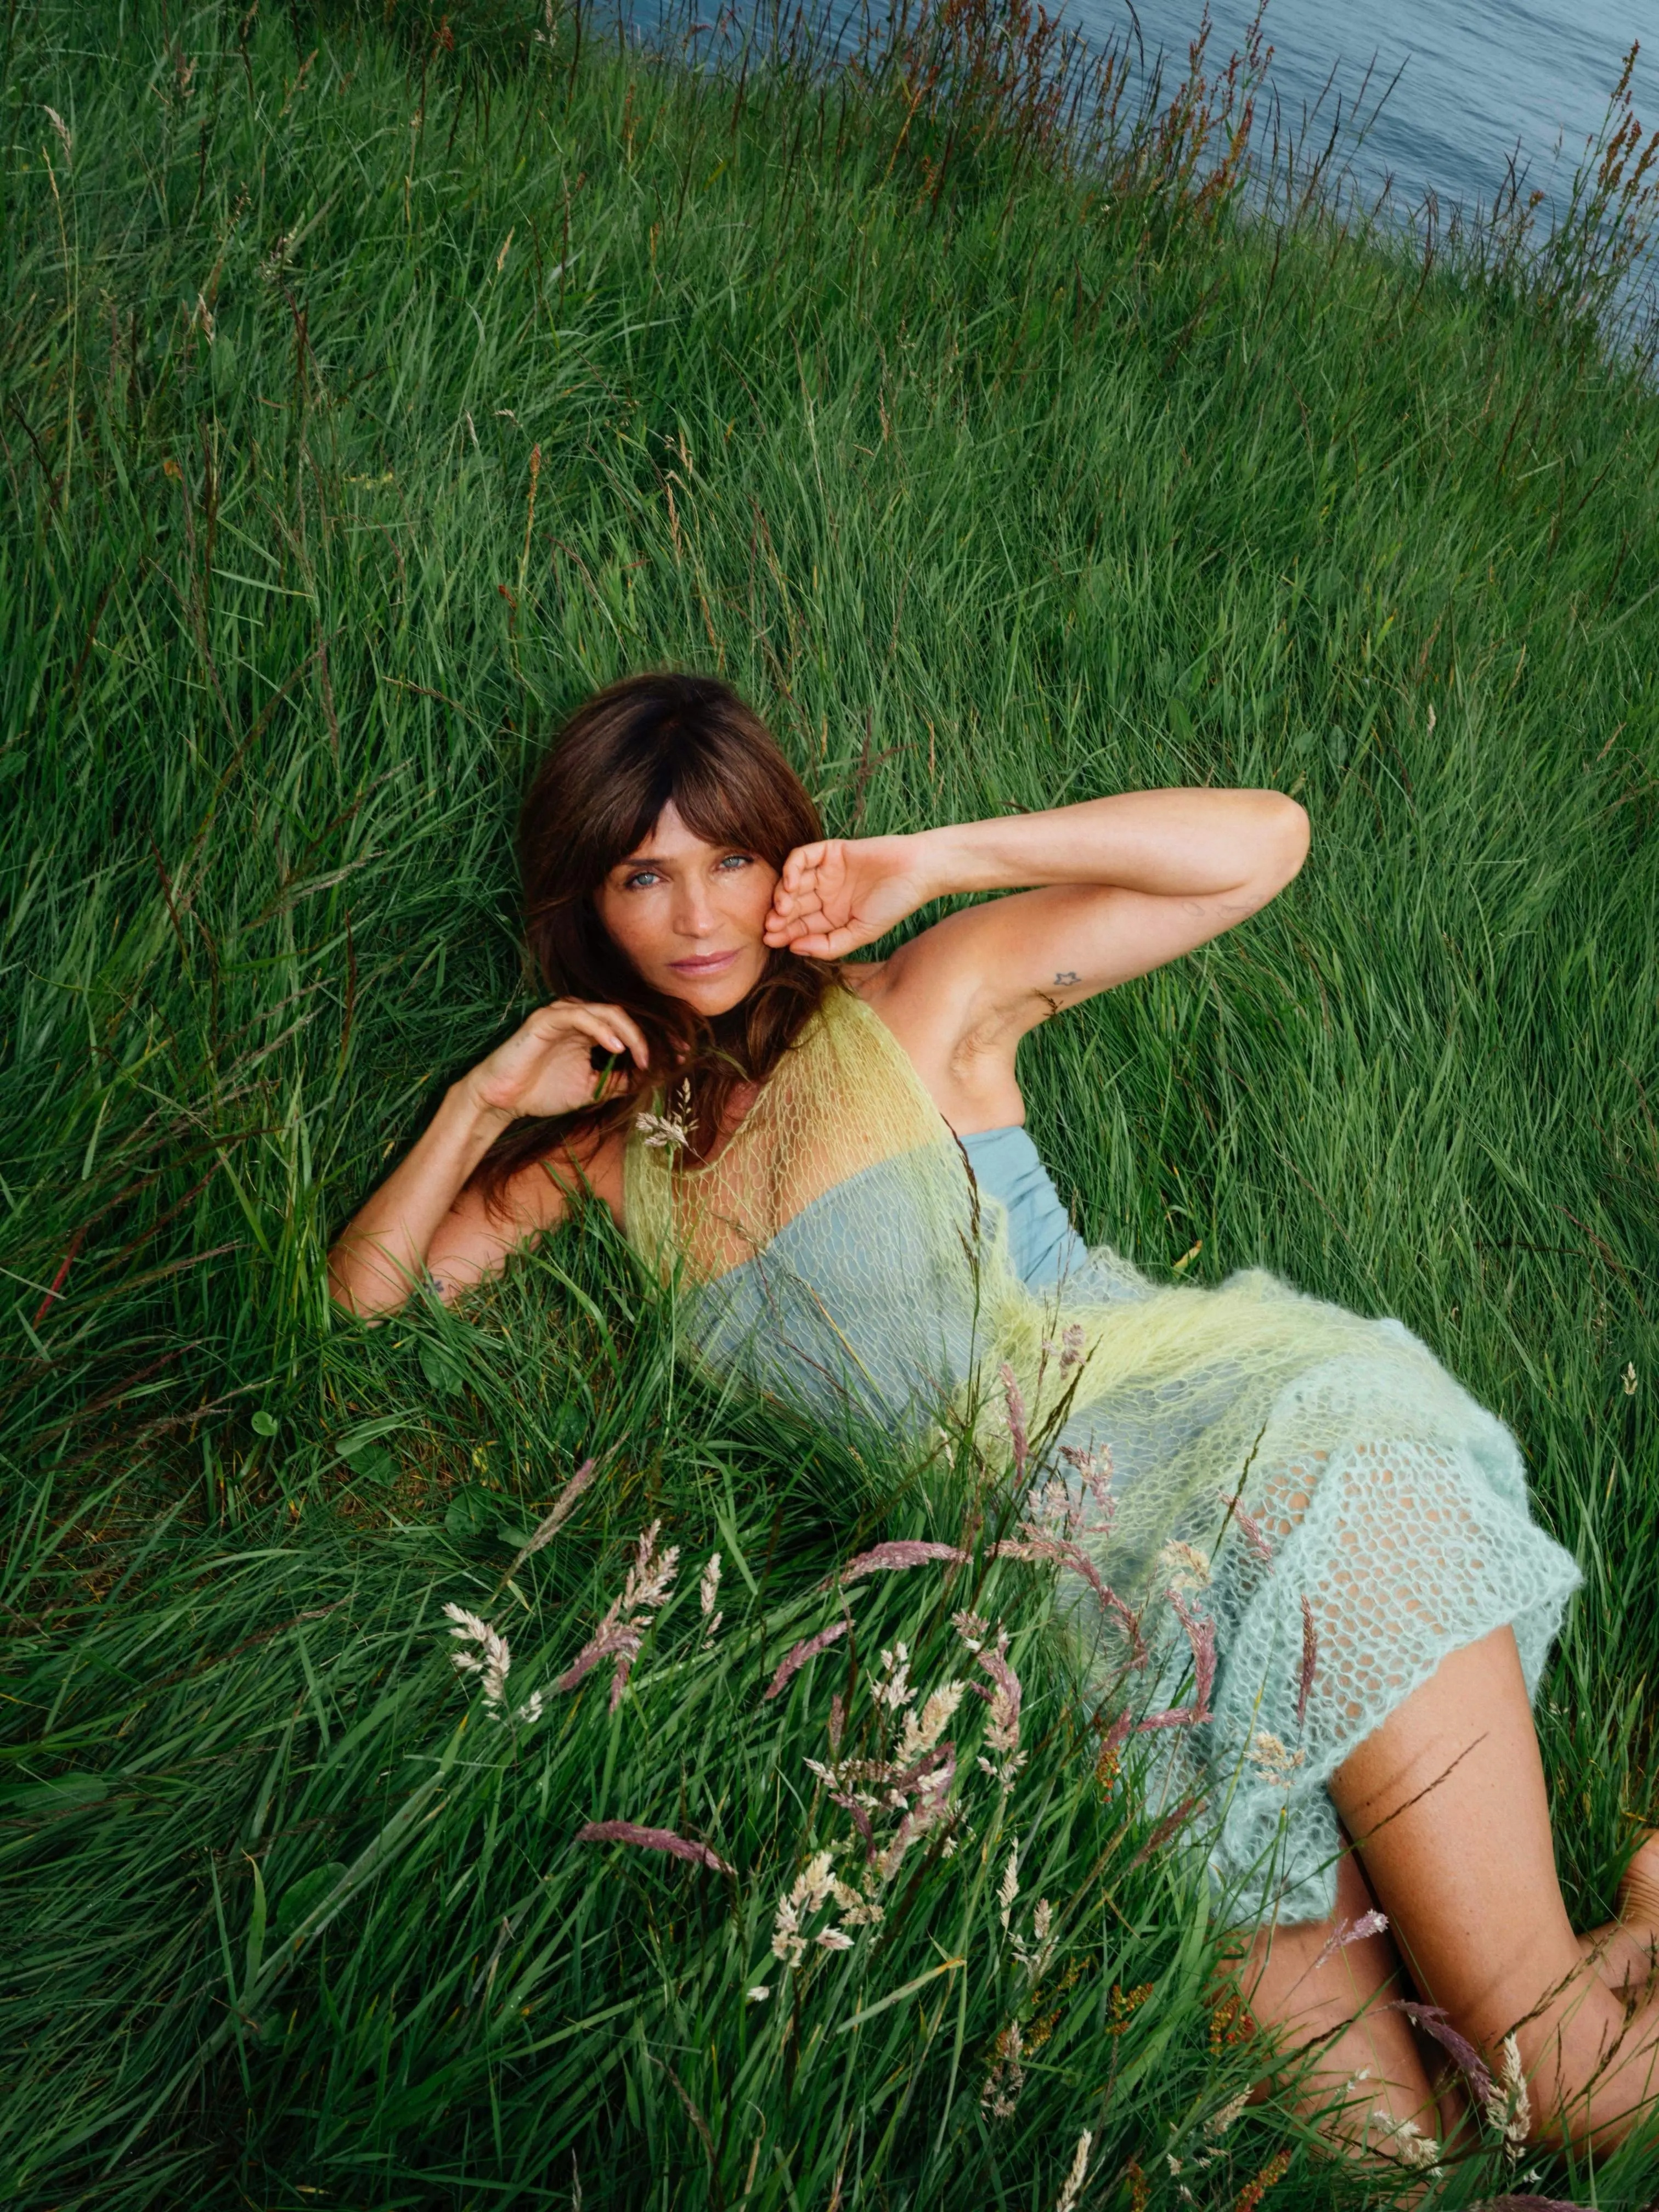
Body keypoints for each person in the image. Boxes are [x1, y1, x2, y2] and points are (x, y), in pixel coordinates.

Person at [328, 670, 1659, 2165]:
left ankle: (1595, 1969)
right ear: (592, 902)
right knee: (1402, 2164)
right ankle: (1630, 1935)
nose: (697, 915)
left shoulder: (922, 999)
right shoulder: (605, 1165)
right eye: (644, 875)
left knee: (1562, 2091)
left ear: (784, 860)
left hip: (1262, 1461)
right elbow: (366, 1302)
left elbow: (1263, 843)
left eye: (731, 860)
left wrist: (938, 861)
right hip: (1104, 1636)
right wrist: (483, 1101)